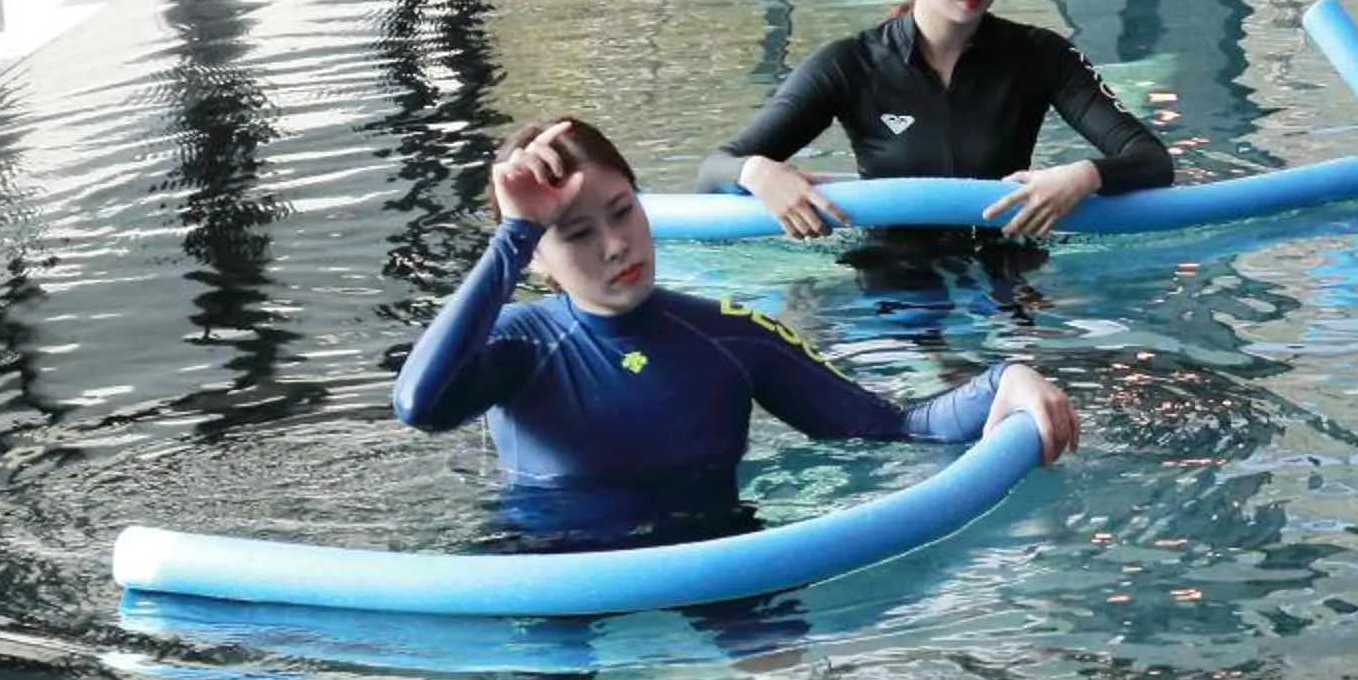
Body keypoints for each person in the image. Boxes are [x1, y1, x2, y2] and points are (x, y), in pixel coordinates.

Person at [396, 116, 1078, 521]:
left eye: (623, 210)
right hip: (556, 578)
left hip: (718, 560)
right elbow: (419, 405)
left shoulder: (726, 336)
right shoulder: (520, 348)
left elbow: (891, 427)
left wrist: (1005, 381)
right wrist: (514, 232)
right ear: (537, 260)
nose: (614, 245)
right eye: (574, 234)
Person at [697, 0, 1174, 240]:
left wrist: (1082, 176)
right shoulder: (850, 66)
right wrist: (757, 172)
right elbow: (714, 170)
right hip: (884, 306)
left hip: (1005, 294)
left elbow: (1151, 160)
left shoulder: (1041, 56)